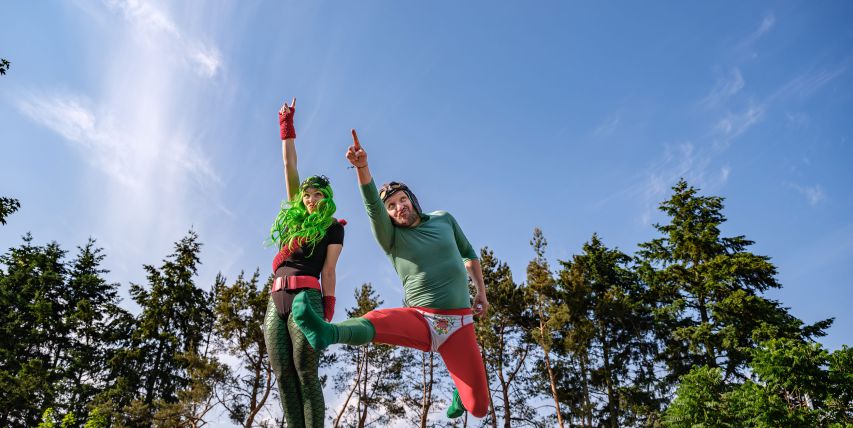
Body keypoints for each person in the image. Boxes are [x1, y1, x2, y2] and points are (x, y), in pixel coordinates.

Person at [292, 129, 490, 419]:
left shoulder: (443, 220)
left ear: (412, 199)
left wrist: (481, 291)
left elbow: (469, 254)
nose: (398, 207)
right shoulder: (391, 237)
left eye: (401, 200)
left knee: (479, 408)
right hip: (421, 318)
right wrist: (362, 167)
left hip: (459, 324)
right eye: (391, 206)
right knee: (378, 320)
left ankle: (461, 391)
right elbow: (373, 206)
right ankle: (326, 333)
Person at [263, 98, 345, 427]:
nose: (311, 199)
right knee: (283, 374)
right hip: (275, 299)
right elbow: (289, 165)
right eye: (307, 194)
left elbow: (329, 270)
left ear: (327, 199)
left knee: (305, 370)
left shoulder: (333, 228)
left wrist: (327, 307)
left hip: (306, 298)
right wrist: (286, 125)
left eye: (318, 194)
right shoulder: (293, 219)